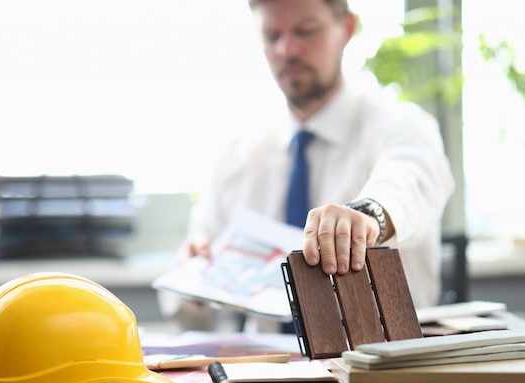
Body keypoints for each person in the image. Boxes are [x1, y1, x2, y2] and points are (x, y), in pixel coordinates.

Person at [158, 0, 455, 332]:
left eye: (305, 31)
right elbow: (188, 317)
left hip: (380, 367)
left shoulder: (403, 127)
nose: (287, 49)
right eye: (272, 36)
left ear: (346, 29)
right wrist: (196, 281)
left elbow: (409, 184)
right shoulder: (237, 156)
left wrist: (365, 217)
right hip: (265, 372)